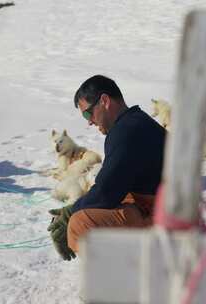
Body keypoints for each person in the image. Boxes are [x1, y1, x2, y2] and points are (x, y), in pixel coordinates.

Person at [48, 75, 166, 260]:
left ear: (104, 101)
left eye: (88, 113)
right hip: (166, 206)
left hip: (162, 215)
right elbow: (112, 186)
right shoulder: (136, 122)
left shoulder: (125, 132)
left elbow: (106, 192)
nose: (89, 121)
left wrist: (72, 213)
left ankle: (117, 279)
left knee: (81, 224)